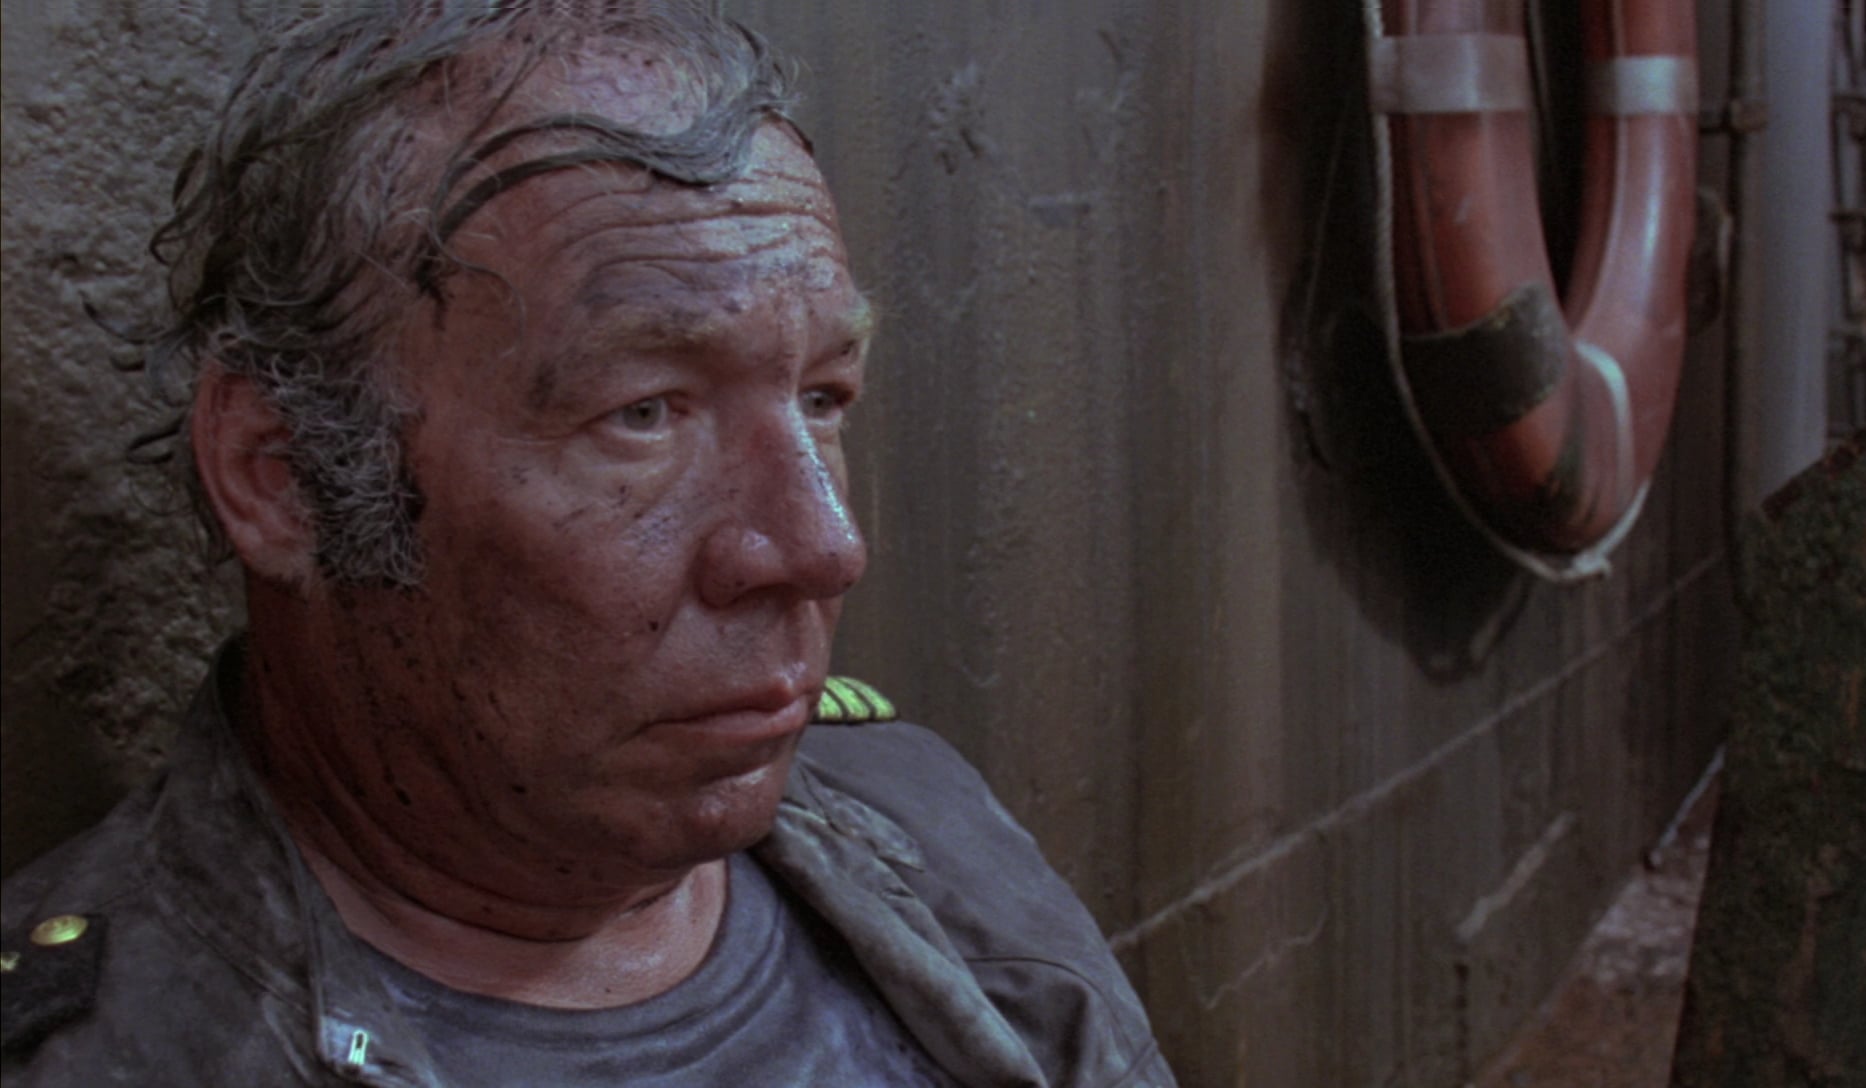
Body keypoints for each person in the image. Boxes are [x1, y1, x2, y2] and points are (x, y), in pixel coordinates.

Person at [0, 5, 1176, 1085]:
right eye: (643, 413)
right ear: (281, 475)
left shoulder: (920, 821)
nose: (822, 546)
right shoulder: (102, 1049)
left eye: (822, 395)